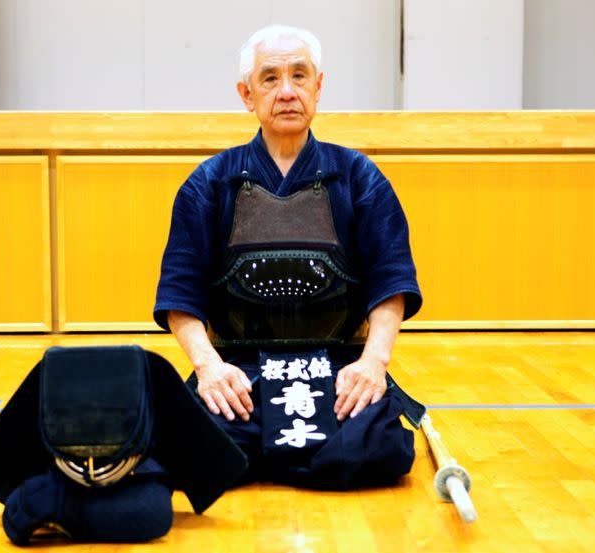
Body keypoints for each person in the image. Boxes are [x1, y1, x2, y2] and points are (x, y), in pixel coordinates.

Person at [155, 24, 423, 489]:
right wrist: (208, 367)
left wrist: (373, 364)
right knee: (189, 443)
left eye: (299, 76)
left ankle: (261, 462)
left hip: (336, 367)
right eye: (270, 78)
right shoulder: (209, 183)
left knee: (378, 447)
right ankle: (298, 460)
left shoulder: (360, 177)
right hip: (240, 371)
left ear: (319, 86)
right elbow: (181, 294)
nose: (286, 91)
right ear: (247, 94)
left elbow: (391, 281)